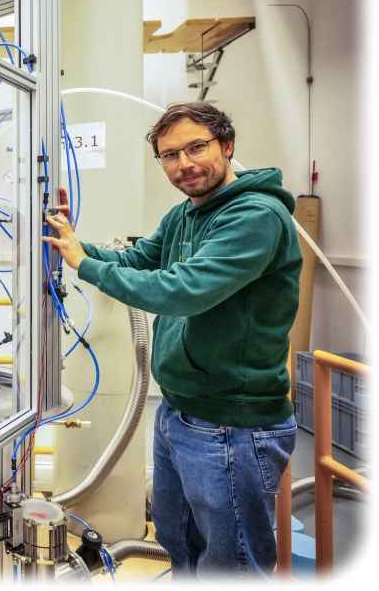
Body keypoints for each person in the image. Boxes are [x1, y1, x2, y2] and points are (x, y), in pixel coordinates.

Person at [44, 102, 301, 577]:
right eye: (170, 155)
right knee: (179, 543)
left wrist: (85, 265)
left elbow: (182, 290)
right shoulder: (186, 213)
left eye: (196, 148)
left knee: (231, 566)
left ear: (227, 146)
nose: (184, 163)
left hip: (232, 424)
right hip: (180, 412)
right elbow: (138, 259)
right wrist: (73, 243)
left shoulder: (255, 216)